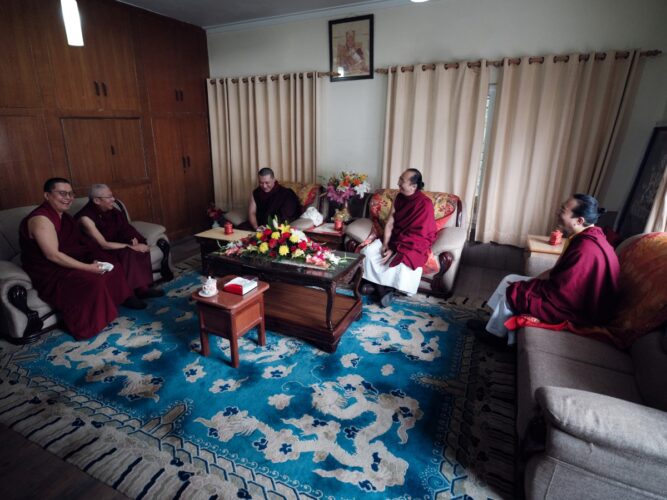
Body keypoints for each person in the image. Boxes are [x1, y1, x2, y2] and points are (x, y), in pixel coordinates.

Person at [474, 194, 620, 346]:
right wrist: (533, 280)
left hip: (579, 310)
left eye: (563, 210)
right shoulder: (586, 235)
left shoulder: (585, 248)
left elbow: (564, 293)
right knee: (509, 279)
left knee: (515, 292)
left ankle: (497, 338)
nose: (558, 212)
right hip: (570, 295)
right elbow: (560, 272)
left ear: (579, 221)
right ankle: (490, 323)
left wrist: (530, 286)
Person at [19, 178, 144, 341]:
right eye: (62, 193)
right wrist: (88, 267)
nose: (68, 197)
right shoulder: (41, 219)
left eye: (71, 193)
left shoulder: (65, 217)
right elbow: (52, 255)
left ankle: (119, 302)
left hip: (68, 260)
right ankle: (84, 325)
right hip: (51, 271)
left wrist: (94, 258)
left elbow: (79, 243)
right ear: (47, 195)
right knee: (93, 279)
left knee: (111, 265)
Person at [75, 184, 164, 305]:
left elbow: (125, 228)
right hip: (96, 251)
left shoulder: (111, 211)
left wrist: (134, 239)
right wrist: (129, 246)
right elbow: (103, 244)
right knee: (129, 252)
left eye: (112, 196)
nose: (113, 200)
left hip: (114, 244)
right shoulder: (85, 218)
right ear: (96, 200)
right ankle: (128, 296)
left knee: (139, 248)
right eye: (109, 197)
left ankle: (143, 289)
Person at [361, 169, 437, 307]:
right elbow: (390, 222)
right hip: (394, 238)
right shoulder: (399, 197)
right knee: (367, 252)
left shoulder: (424, 204)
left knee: (400, 260)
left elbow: (419, 234)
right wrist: (386, 244)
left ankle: (377, 287)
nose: (398, 183)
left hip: (412, 242)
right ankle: (382, 290)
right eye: (400, 179)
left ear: (413, 186)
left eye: (402, 181)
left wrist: (395, 249)